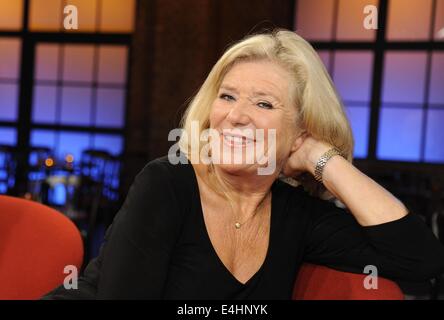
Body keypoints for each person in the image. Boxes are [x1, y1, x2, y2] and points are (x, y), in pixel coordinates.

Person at [43, 29, 444, 299]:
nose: (235, 116)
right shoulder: (166, 183)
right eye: (228, 96)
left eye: (264, 103)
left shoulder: (296, 216)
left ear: (302, 130)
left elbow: (420, 262)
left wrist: (320, 158)